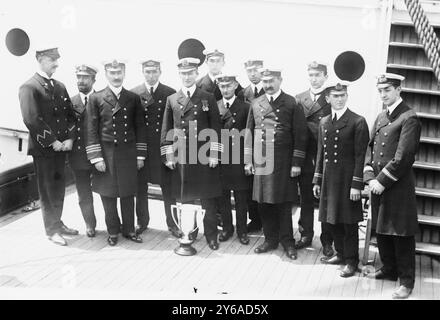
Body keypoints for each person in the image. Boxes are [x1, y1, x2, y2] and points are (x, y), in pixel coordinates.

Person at [364, 73, 421, 299]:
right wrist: (369, 176)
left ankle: (406, 282)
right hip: (378, 185)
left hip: (397, 186)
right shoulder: (381, 117)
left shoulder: (409, 118)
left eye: (387, 90)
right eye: (380, 90)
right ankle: (389, 270)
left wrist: (382, 180)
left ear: (398, 90)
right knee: (382, 231)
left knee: (401, 233)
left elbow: (404, 157)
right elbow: (370, 149)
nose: (383, 94)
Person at [160, 57, 223, 250]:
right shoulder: (172, 99)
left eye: (190, 73)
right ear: (179, 75)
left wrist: (215, 154)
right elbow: (166, 130)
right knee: (186, 198)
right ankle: (190, 231)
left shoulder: (207, 97)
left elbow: (216, 128)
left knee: (207, 198)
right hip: (183, 157)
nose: (187, 77)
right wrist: (168, 155)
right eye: (183, 73)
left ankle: (211, 235)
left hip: (203, 156)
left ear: (196, 74)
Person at [244, 68, 307, 260]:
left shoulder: (292, 103)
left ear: (280, 80)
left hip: (283, 162)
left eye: (271, 81)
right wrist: (248, 160)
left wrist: (296, 163)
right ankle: (270, 239)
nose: (268, 85)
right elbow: (248, 133)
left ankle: (287, 241)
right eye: (265, 81)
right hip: (262, 161)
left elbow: (300, 135)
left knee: (283, 203)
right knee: (263, 203)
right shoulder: (256, 103)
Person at [19, 46, 79, 246]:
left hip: (62, 148)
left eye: (57, 59)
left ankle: (58, 223)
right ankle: (51, 230)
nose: (56, 63)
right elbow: (31, 119)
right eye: (52, 59)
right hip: (44, 150)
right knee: (47, 189)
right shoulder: (29, 87)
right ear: (41, 59)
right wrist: (52, 141)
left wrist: (69, 139)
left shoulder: (60, 86)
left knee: (59, 188)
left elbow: (71, 116)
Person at [86, 59, 147, 246]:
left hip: (128, 154)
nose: (116, 76)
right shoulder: (96, 98)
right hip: (106, 155)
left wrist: (140, 155)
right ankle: (113, 231)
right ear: (106, 75)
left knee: (128, 194)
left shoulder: (133, 98)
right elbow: (91, 130)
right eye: (112, 73)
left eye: (119, 72)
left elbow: (140, 128)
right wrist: (96, 158)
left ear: (124, 73)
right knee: (108, 195)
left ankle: (129, 230)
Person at [312, 80, 369, 277]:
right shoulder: (324, 122)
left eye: (342, 95)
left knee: (349, 222)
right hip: (329, 179)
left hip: (347, 180)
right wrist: (317, 180)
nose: (339, 99)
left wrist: (356, 185)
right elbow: (321, 153)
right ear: (327, 98)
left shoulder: (357, 121)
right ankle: (340, 253)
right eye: (335, 96)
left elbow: (361, 156)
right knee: (331, 218)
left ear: (347, 96)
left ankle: (352, 260)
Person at [131, 60, 182, 237]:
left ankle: (173, 223)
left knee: (169, 189)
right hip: (142, 150)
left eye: (154, 72)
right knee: (140, 189)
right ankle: (142, 222)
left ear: (160, 72)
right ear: (142, 72)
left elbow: (174, 126)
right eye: (148, 72)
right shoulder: (134, 93)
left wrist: (171, 152)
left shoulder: (169, 93)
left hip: (162, 149)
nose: (151, 75)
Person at [295, 61, 334, 256]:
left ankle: (327, 241)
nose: (314, 79)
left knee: (326, 200)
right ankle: (305, 234)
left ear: (326, 77)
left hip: (325, 157)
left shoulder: (332, 98)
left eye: (318, 75)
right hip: (305, 155)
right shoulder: (299, 99)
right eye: (311, 75)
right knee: (306, 198)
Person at [215, 73, 250, 245]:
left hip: (239, 160)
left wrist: (247, 160)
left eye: (229, 85)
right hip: (221, 160)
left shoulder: (245, 107)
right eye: (222, 86)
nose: (226, 89)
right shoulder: (215, 106)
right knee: (223, 198)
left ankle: (242, 231)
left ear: (236, 85)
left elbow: (249, 135)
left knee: (241, 198)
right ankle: (227, 229)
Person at [68, 64, 98, 237]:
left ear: (94, 80)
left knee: (107, 191)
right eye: (78, 77)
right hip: (78, 156)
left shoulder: (102, 99)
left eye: (85, 77)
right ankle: (90, 224)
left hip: (100, 156)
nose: (81, 80)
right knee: (84, 193)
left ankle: (112, 224)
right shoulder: (70, 102)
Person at [239, 59, 265, 233]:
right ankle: (255, 220)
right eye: (249, 70)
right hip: (247, 143)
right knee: (248, 186)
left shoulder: (269, 89)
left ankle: (267, 220)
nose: (253, 73)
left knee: (265, 183)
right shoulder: (242, 93)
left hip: (266, 145)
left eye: (256, 70)